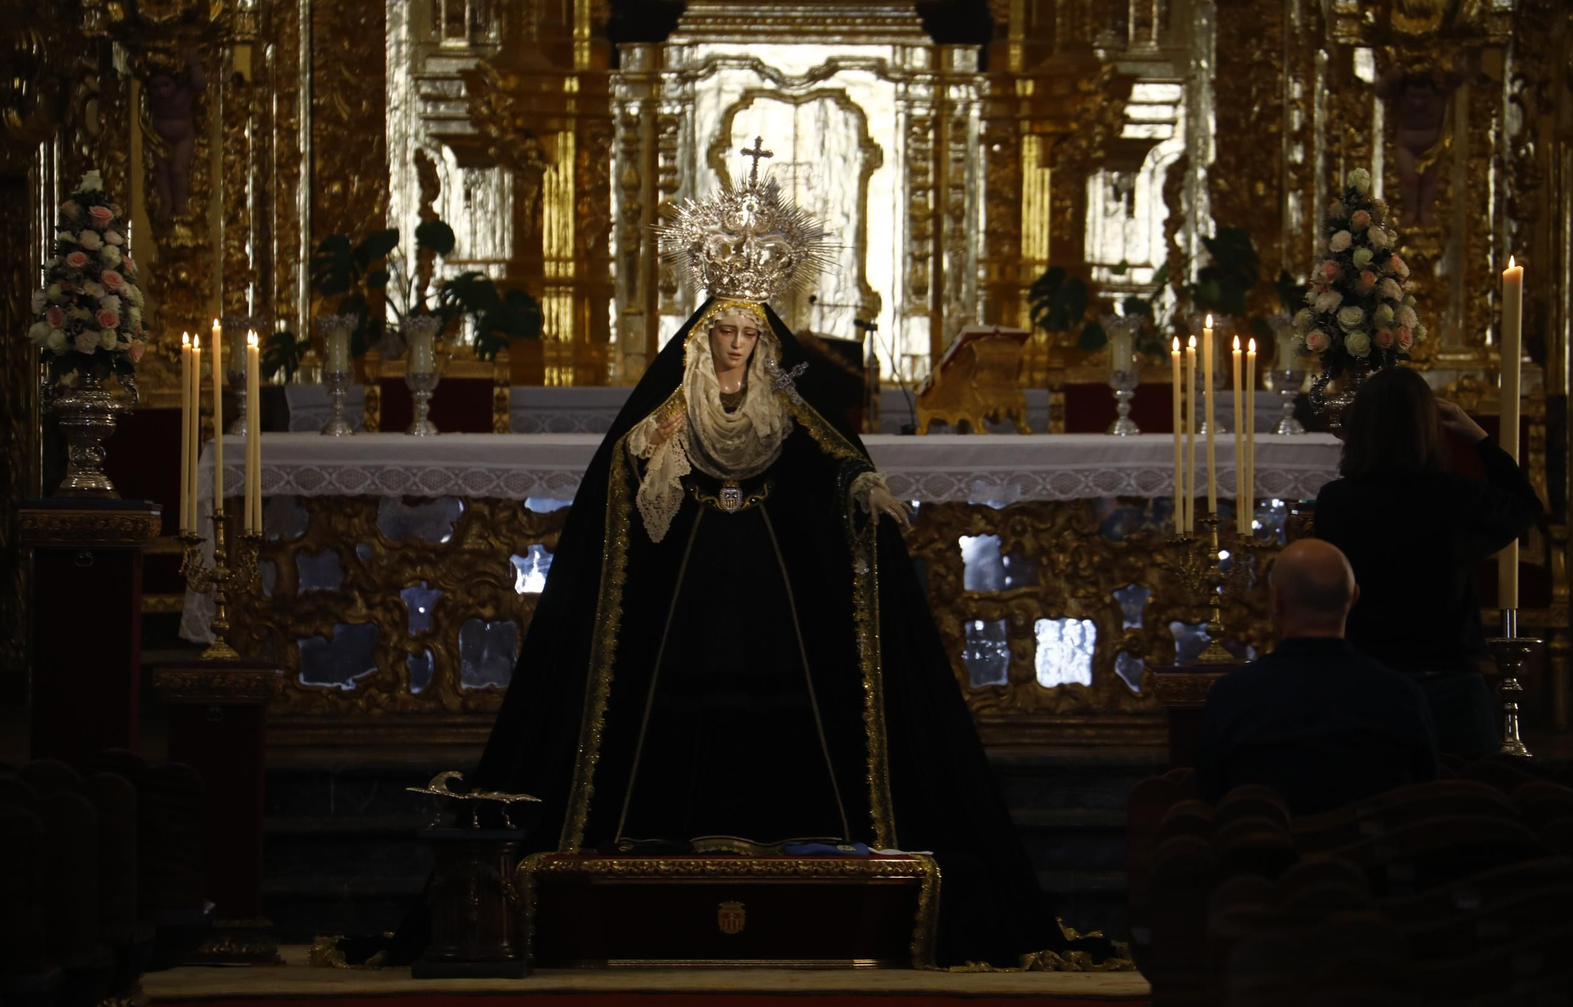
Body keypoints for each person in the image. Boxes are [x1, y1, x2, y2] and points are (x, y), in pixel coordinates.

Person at [356, 143, 1115, 970]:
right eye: (725, 331)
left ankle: (785, 819)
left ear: (764, 339)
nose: (736, 345)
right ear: (703, 334)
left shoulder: (784, 400)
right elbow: (623, 468)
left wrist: (867, 493)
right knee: (672, 697)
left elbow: (832, 454)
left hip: (769, 582)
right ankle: (668, 821)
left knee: (781, 694)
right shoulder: (675, 398)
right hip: (687, 578)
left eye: (750, 333)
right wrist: (656, 447)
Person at [1313, 367, 1544, 759]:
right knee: (1463, 806)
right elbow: (1526, 506)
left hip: (1368, 680)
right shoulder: (1452, 496)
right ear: (1428, 428)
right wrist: (1479, 437)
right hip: (1448, 683)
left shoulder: (1336, 501)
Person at [1197, 539, 1440, 815]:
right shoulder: (1403, 696)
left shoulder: (1232, 696)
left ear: (1275, 601)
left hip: (1269, 854)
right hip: (1373, 855)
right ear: (1354, 598)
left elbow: (1212, 800)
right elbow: (1424, 802)